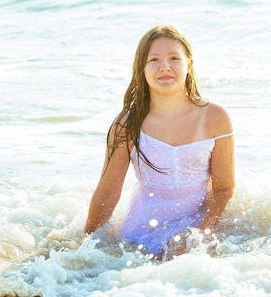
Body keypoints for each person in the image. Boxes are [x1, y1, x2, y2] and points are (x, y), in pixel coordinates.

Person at [84, 25, 235, 258]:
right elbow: (107, 193)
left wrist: (202, 233)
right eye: (154, 59)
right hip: (143, 227)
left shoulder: (215, 117)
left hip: (199, 219)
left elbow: (224, 188)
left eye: (174, 58)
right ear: (142, 68)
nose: (165, 66)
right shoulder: (127, 124)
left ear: (189, 65)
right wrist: (85, 248)